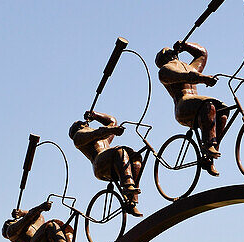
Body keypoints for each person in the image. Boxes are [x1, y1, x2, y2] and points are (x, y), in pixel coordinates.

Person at [155, 40, 227, 176]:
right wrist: (203, 78)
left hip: (197, 103)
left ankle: (210, 156)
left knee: (222, 110)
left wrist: (186, 45)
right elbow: (184, 77)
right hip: (184, 107)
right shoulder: (165, 70)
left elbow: (202, 53)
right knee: (208, 104)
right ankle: (208, 144)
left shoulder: (188, 67)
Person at [69, 110, 143, 216]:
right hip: (100, 165)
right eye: (81, 123)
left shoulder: (103, 140)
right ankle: (128, 186)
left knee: (135, 157)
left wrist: (95, 115)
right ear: (78, 128)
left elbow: (113, 122)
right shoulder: (79, 137)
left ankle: (132, 201)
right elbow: (97, 134)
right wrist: (112, 130)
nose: (85, 123)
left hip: (112, 161)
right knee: (120, 150)